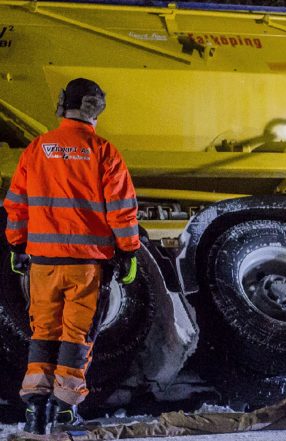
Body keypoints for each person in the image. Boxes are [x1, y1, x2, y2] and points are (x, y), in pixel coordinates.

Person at [3, 78, 140, 434]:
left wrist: (17, 245)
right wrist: (128, 251)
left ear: (64, 105)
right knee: (75, 338)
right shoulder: (103, 151)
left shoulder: (38, 148)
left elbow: (16, 204)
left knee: (43, 333)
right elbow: (122, 210)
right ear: (97, 109)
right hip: (86, 267)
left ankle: (35, 411)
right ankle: (64, 411)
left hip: (43, 265)